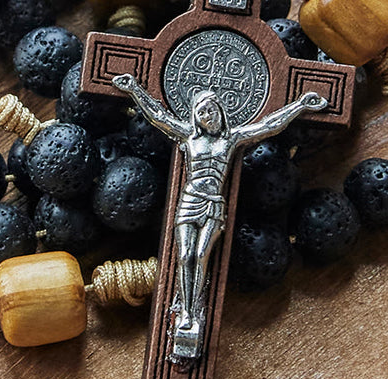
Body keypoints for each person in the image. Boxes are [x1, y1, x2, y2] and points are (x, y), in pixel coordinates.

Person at [111, 72, 328, 363]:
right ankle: (187, 314)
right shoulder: (188, 137)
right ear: (196, 118)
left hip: (214, 203)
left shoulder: (232, 139)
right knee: (185, 255)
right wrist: (134, 89)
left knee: (201, 255)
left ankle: (192, 311)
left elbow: (269, 125)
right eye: (202, 113)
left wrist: (300, 105)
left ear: (220, 112)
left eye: (211, 110)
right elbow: (158, 116)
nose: (207, 116)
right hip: (189, 201)